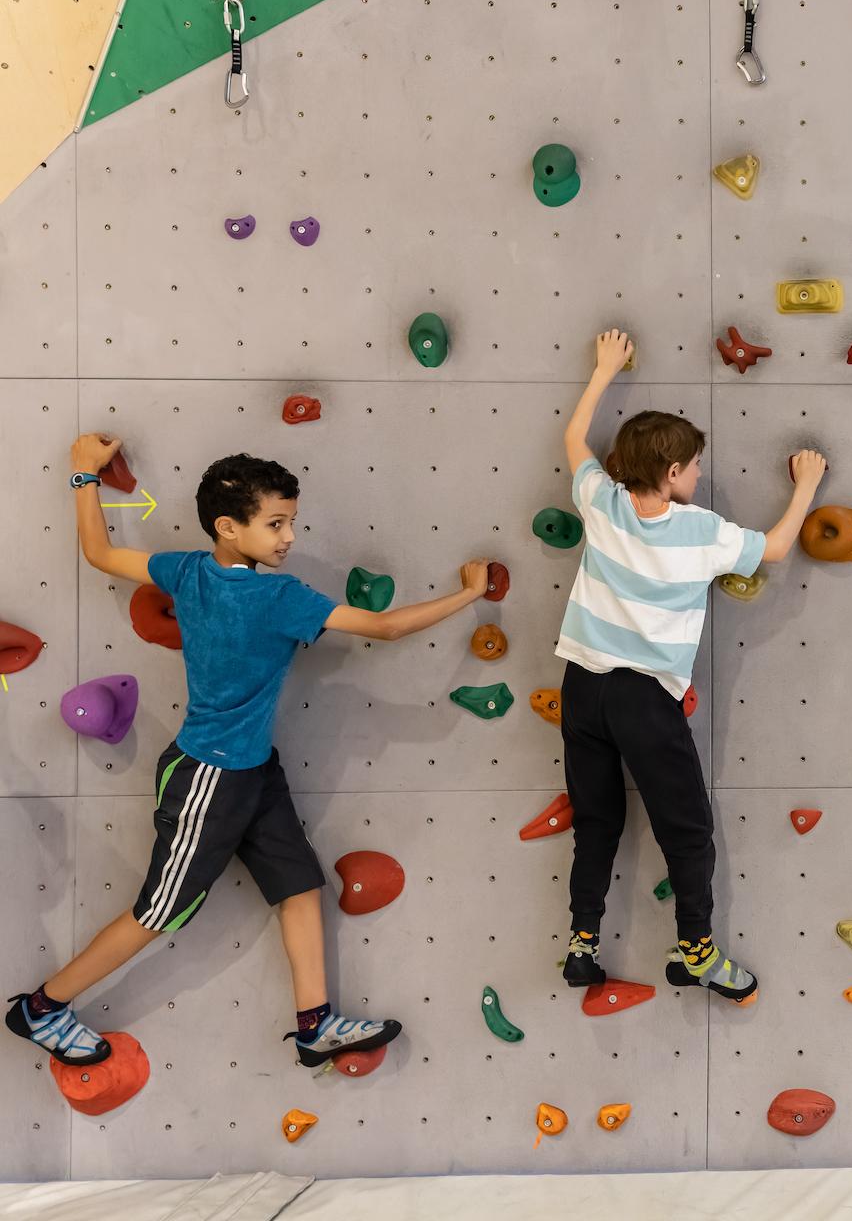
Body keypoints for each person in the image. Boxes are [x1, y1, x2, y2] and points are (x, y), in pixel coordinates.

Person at [8, 438, 490, 1068]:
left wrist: (82, 473)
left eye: (292, 521)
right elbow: (386, 627)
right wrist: (467, 594)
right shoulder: (277, 597)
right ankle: (41, 1009)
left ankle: (315, 1024)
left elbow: (98, 552)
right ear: (228, 527)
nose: (290, 536)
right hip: (209, 775)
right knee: (161, 910)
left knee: (299, 885)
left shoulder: (186, 570)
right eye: (276, 523)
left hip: (253, 770)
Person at [554, 329, 825, 1003]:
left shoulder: (603, 504)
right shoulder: (700, 530)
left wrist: (603, 370)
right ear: (671, 473)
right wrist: (806, 485)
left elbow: (573, 439)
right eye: (693, 466)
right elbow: (778, 549)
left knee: (597, 819)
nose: (699, 476)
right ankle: (697, 954)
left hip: (581, 690)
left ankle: (582, 944)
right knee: (687, 831)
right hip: (644, 701)